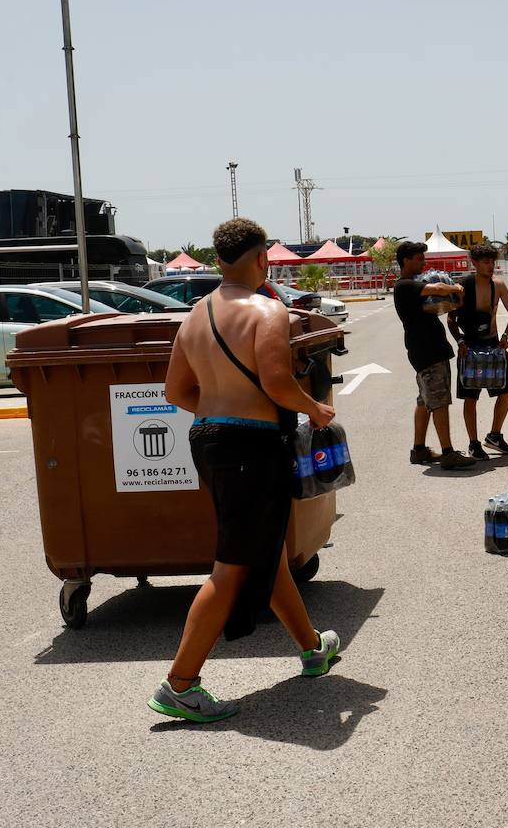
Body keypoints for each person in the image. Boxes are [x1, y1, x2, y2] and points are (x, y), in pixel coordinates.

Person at [152, 217, 341, 723]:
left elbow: (175, 391)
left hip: (209, 440)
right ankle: (180, 684)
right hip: (250, 447)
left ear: (217, 261)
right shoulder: (268, 309)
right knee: (234, 565)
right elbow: (277, 382)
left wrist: (221, 409)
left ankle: (311, 649)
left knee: (266, 552)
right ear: (262, 259)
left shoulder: (195, 315)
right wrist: (315, 409)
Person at [393, 240, 475, 470]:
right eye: (419, 258)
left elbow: (437, 304)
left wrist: (455, 301)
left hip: (426, 350)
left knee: (424, 400)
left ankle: (418, 450)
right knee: (439, 401)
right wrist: (456, 287)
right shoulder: (405, 286)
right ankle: (448, 453)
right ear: (406, 260)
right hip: (427, 351)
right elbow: (437, 289)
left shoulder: (412, 286)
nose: (423, 263)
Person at [446, 243, 508, 460]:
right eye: (486, 262)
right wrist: (460, 341)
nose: (491, 266)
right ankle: (473, 443)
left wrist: (505, 337)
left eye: (493, 262)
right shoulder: (462, 287)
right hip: (469, 347)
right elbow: (451, 319)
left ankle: (494, 435)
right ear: (475, 263)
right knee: (470, 396)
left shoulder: (498, 285)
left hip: (493, 345)